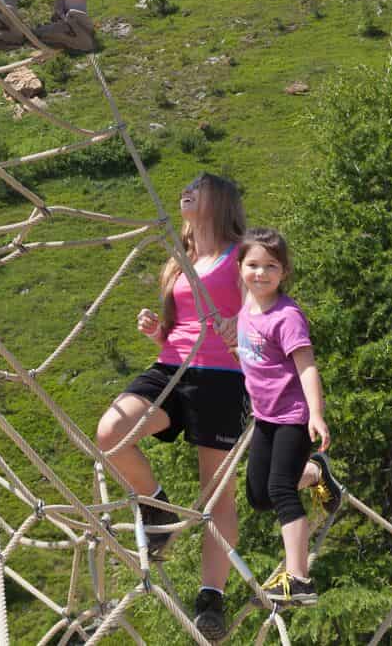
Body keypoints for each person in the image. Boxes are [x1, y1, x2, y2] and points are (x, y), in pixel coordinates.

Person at [94, 174, 248, 641]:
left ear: (219, 200)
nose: (186, 191)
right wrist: (158, 331)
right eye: (185, 186)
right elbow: (180, 325)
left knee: (217, 490)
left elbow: (268, 310)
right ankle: (157, 507)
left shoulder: (241, 254)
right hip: (171, 369)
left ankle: (211, 598)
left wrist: (236, 325)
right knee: (110, 432)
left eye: (197, 187)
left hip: (221, 377)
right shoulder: (179, 260)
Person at [235, 228, 339, 607]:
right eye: (253, 265)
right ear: (241, 267)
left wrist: (316, 414)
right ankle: (314, 473)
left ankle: (300, 580)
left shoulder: (287, 316)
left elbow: (307, 367)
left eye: (270, 267)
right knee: (258, 497)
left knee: (279, 490)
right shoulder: (246, 306)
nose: (260, 274)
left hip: (293, 416)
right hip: (264, 417)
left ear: (284, 272)